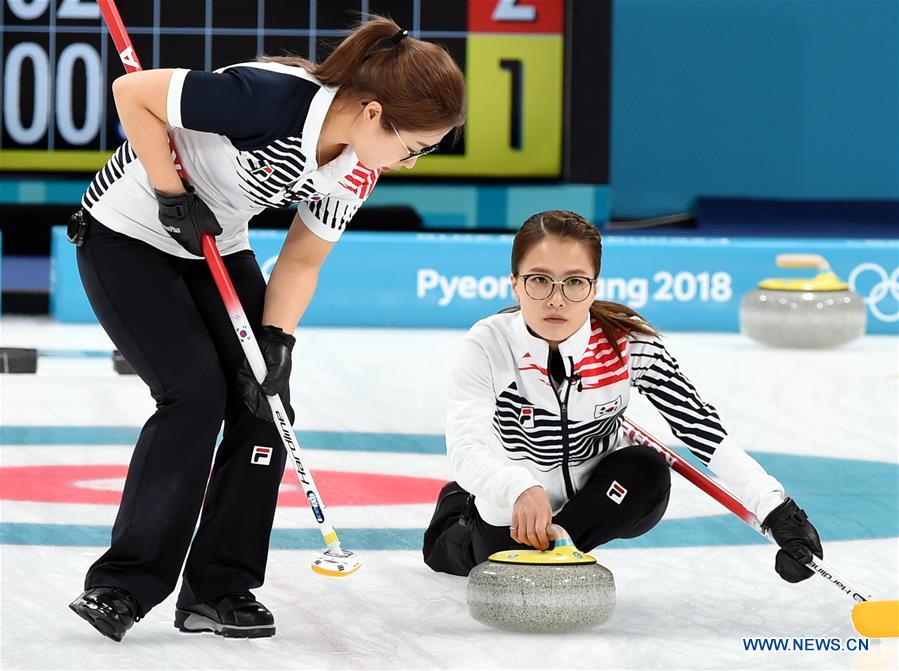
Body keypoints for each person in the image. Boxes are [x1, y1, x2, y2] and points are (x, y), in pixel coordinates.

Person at [67, 15, 466, 642]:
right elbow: (134, 94)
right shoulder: (269, 98)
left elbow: (303, 258)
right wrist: (173, 193)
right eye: (413, 146)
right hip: (127, 234)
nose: (410, 163)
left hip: (215, 245)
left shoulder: (357, 166)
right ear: (371, 113)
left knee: (265, 405)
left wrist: (276, 341)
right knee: (193, 396)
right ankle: (123, 585)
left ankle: (219, 587)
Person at [423, 210, 823, 585]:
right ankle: (458, 510)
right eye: (539, 280)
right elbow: (465, 449)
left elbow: (701, 428)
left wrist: (777, 508)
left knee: (646, 472)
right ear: (515, 281)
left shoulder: (629, 347)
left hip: (596, 495)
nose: (556, 299)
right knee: (466, 556)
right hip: (511, 500)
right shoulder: (488, 344)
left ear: (594, 286)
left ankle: (565, 541)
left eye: (575, 282)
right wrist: (516, 487)